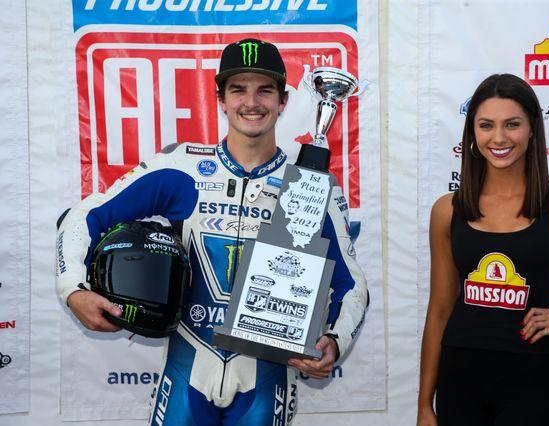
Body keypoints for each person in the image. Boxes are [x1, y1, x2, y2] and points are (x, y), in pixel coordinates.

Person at [56, 38, 368, 425]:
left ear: (283, 101)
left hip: (267, 377)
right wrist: (72, 289)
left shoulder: (309, 186)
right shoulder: (181, 168)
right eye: (238, 90)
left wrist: (334, 341)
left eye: (264, 90)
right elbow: (86, 216)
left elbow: (350, 284)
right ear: (220, 99)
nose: (251, 102)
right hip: (187, 370)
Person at [417, 74, 549, 426]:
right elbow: (439, 310)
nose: (499, 137)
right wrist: (425, 404)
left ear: (532, 129)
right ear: (472, 133)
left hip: (532, 382)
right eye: (486, 125)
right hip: (460, 380)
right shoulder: (447, 210)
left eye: (512, 124)